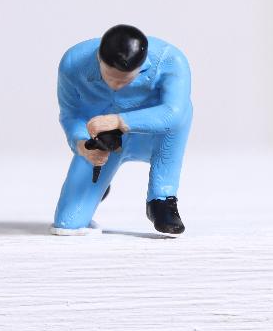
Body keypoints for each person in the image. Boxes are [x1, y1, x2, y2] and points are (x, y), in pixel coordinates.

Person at [51, 24, 193, 235]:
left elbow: (173, 112)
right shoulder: (73, 63)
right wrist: (82, 145)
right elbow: (71, 114)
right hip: (102, 135)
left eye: (125, 79)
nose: (116, 85)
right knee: (68, 223)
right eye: (110, 77)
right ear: (99, 59)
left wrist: (119, 121)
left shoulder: (171, 60)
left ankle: (161, 198)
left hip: (155, 133)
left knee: (177, 122)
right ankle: (98, 184)